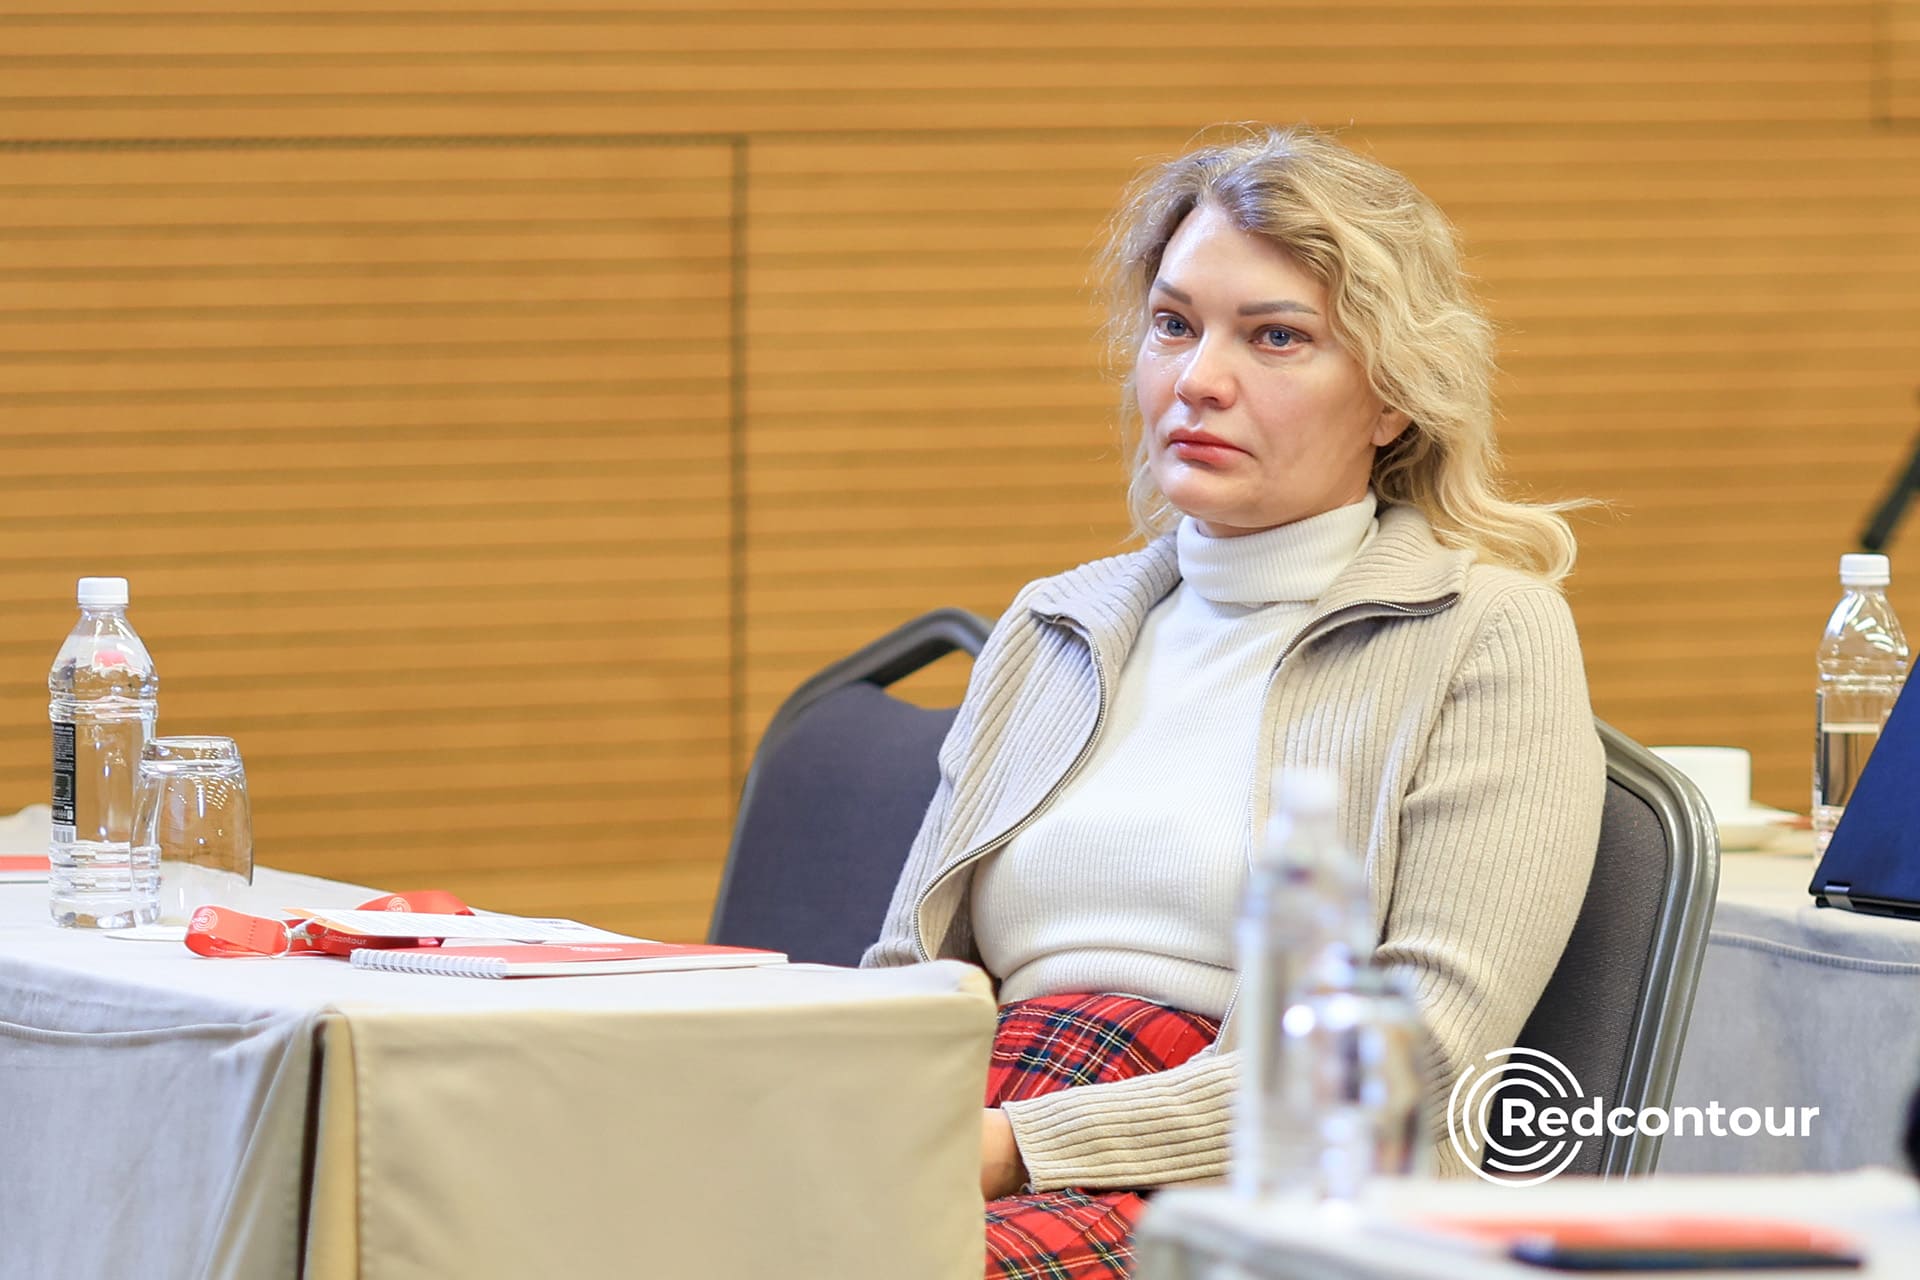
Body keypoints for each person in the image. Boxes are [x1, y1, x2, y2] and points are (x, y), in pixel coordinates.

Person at [860, 123, 1605, 1278]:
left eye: (1276, 337)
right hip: (985, 1117)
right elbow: (902, 974)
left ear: (1392, 398)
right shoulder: (1057, 622)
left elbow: (1416, 1058)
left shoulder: (1485, 630)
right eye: (1174, 324)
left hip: (1272, 1185)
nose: (1198, 379)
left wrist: (1020, 1145)